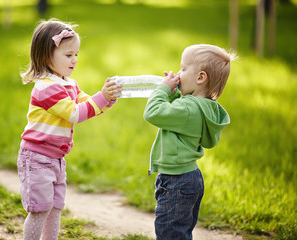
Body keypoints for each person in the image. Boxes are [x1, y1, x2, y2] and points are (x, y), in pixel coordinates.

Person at [17, 19, 121, 240]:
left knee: (55, 209)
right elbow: (76, 113)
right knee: (40, 210)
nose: (74, 60)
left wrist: (107, 99)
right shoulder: (45, 87)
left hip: (55, 158)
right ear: (46, 56)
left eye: (76, 55)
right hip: (37, 158)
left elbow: (87, 104)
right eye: (68, 55)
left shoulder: (68, 83)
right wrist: (101, 99)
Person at [143, 44, 236, 240]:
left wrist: (161, 90)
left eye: (183, 69)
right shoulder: (202, 107)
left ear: (200, 78)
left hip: (176, 181)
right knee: (180, 231)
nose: (178, 73)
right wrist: (174, 92)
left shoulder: (188, 110)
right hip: (188, 178)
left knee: (170, 233)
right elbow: (177, 111)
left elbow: (153, 113)